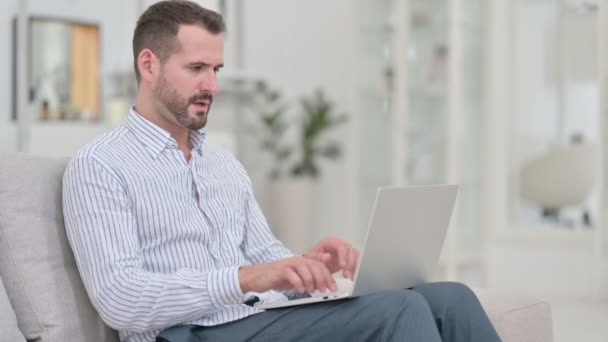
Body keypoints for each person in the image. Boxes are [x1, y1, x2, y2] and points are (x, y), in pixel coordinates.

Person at [62, 1, 501, 341]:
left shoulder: (223, 165)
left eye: (215, 69)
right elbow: (121, 299)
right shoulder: (101, 166)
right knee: (399, 311)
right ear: (148, 65)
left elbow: (266, 259)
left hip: (255, 320)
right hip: (188, 334)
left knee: (450, 298)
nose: (211, 86)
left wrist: (302, 269)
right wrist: (245, 278)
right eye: (196, 69)